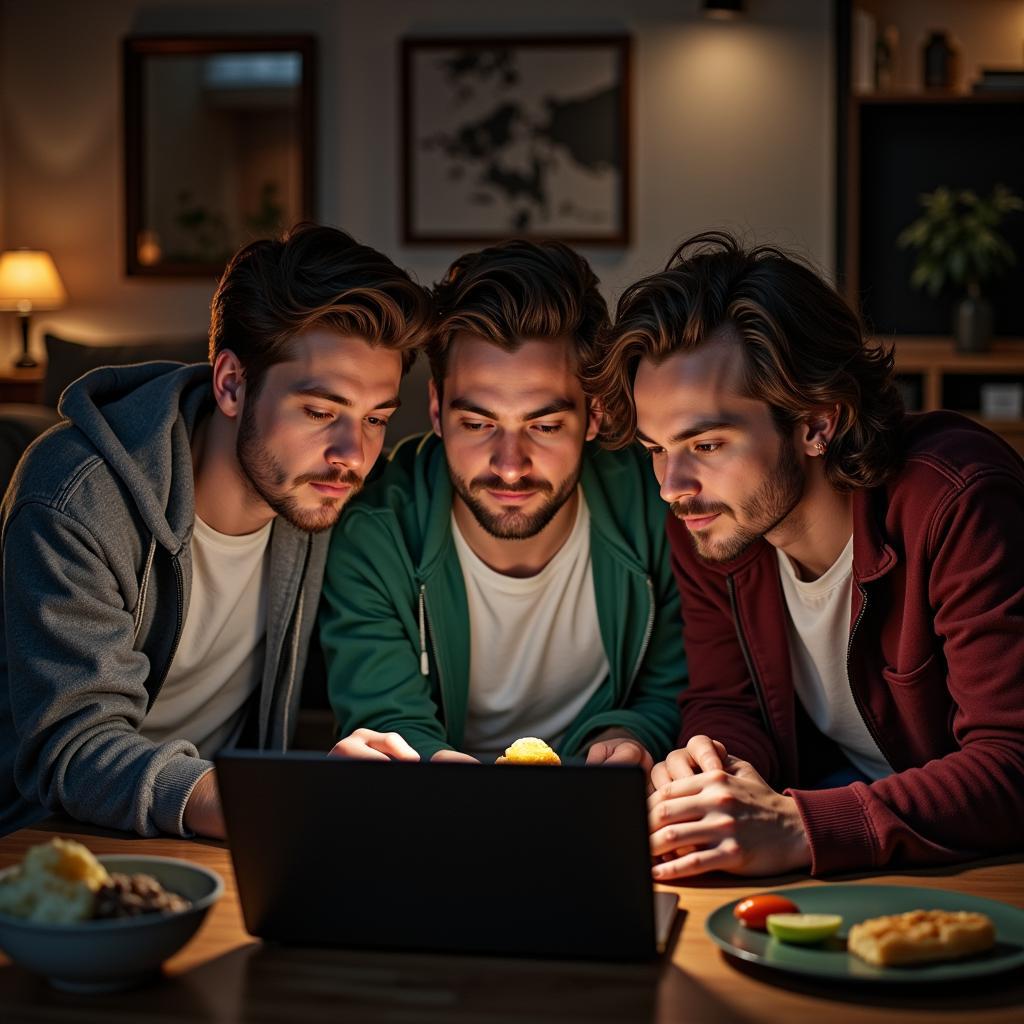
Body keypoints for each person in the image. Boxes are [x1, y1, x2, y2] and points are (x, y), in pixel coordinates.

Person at [585, 230, 1024, 878]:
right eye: (655, 447)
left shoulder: (956, 500)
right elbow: (726, 702)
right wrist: (711, 766)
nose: (671, 487)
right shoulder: (707, 520)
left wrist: (799, 826)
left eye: (705, 444)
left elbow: (1012, 763)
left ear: (818, 423)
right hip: (859, 832)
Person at [0, 224, 432, 839]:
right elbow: (76, 749)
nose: (352, 455)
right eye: (319, 412)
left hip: (218, 841)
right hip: (51, 844)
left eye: (376, 419)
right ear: (231, 383)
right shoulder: (76, 493)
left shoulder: (320, 493)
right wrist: (272, 801)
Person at [320, 240, 685, 769]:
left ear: (597, 415)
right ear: (437, 410)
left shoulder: (660, 500)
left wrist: (629, 736)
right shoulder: (377, 527)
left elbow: (672, 688)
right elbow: (385, 721)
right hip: (438, 813)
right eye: (478, 423)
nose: (510, 465)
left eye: (544, 425)